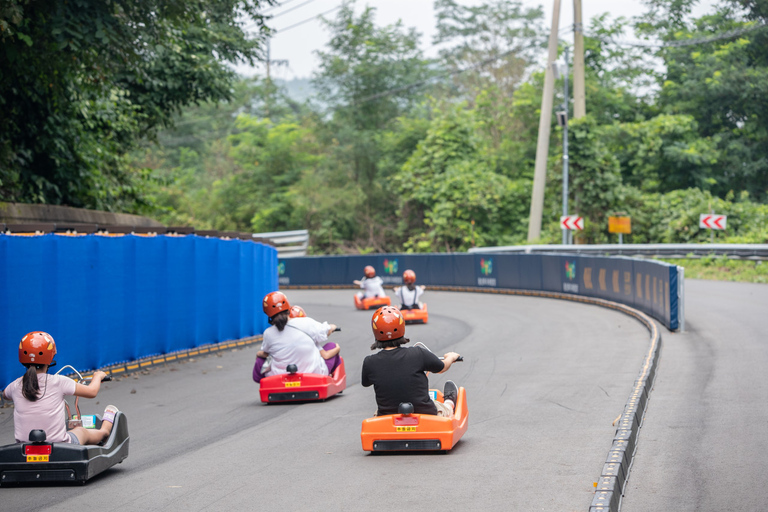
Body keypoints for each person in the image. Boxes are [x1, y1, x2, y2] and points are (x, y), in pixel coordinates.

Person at [1, 331, 119, 445]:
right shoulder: (58, 381)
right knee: (81, 431)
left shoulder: (16, 385)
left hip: (23, 445)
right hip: (59, 444)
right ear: (50, 357)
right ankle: (105, 431)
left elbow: (5, 395)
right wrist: (97, 376)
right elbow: (92, 392)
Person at [361, 306, 461, 417]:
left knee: (376, 413)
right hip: (426, 414)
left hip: (388, 417)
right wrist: (451, 357)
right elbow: (442, 367)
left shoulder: (369, 362)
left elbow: (366, 383)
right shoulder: (418, 353)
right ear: (401, 327)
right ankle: (449, 401)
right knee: (443, 407)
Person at [254, 292, 341, 382]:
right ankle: (329, 378)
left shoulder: (268, 333)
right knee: (331, 346)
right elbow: (326, 330)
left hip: (279, 377)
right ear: (288, 307)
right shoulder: (306, 322)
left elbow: (267, 353)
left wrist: (259, 354)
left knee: (261, 359)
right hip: (314, 374)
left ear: (267, 313)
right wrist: (333, 327)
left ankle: (267, 384)